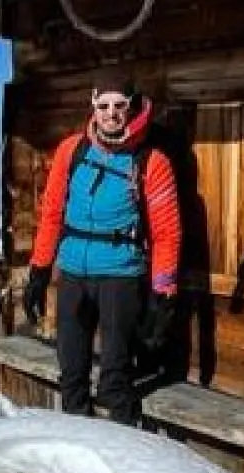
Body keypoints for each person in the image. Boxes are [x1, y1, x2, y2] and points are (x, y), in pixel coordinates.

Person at [21, 83, 182, 429]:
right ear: (93, 107)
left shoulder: (152, 162)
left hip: (120, 277)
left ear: (131, 107)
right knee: (71, 373)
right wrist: (39, 270)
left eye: (119, 105)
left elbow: (166, 233)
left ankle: (123, 450)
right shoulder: (72, 150)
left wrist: (163, 292)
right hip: (72, 274)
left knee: (115, 379)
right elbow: (51, 213)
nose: (111, 113)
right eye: (103, 105)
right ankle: (79, 448)